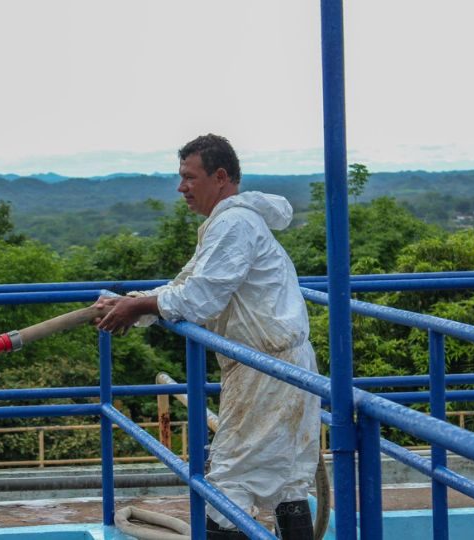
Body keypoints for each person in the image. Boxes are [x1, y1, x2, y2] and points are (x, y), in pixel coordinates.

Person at [95, 134, 320, 540]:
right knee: (287, 479)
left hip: (266, 368)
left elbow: (199, 298)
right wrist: (131, 303)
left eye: (189, 177)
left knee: (228, 481)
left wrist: (139, 306)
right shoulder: (227, 222)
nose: (181, 187)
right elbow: (186, 284)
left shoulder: (234, 223)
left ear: (219, 177)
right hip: (276, 364)